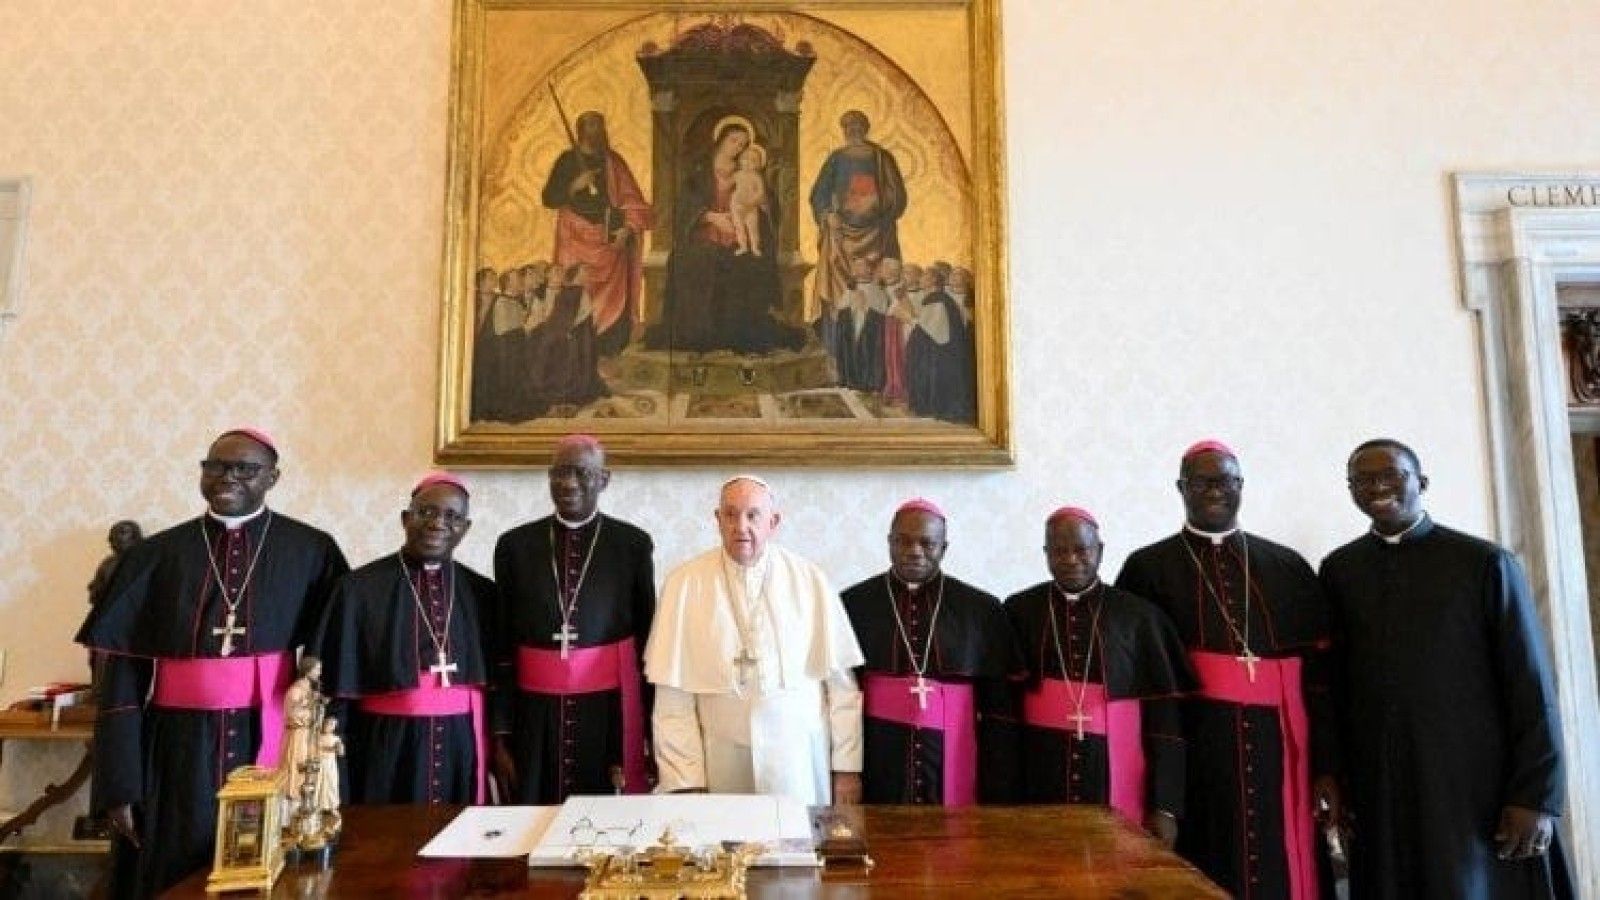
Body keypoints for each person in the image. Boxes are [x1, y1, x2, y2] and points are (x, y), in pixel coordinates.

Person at [76, 428, 348, 898]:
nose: (228, 477)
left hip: (273, 740)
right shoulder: (155, 555)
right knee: (175, 869)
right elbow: (121, 680)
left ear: (273, 477)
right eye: (216, 466)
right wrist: (119, 783)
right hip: (175, 750)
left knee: (274, 868)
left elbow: (332, 656)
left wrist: (317, 757)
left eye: (245, 468)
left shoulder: (310, 549)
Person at [1320, 439, 1573, 899]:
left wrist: (1536, 797)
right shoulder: (1340, 571)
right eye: (1362, 479)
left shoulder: (1484, 563)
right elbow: (1332, 685)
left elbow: (1531, 686)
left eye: (1392, 475)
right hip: (1382, 787)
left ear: (1422, 481)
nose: (1378, 486)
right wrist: (1333, 773)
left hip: (1474, 788)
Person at [1115, 440, 1339, 900]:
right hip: (1198, 747)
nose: (1215, 491)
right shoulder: (1147, 569)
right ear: (1181, 488)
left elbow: (1320, 680)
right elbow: (1145, 689)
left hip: (1282, 749)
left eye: (1226, 481)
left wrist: (1328, 766)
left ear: (1242, 486)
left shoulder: (1287, 566)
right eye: (1202, 482)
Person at [644, 475, 865, 805]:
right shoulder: (684, 584)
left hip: (799, 760)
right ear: (717, 520)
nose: (741, 527)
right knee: (727, 851)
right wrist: (684, 780)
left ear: (773, 522)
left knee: (798, 850)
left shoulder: (810, 580)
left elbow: (841, 688)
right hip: (719, 759)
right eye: (730, 515)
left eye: (752, 515)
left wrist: (846, 770)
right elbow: (673, 699)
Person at [1004, 507, 1195, 845]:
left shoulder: (1140, 618)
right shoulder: (1018, 611)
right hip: (1040, 776)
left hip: (1116, 777)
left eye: (1082, 549)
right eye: (1060, 550)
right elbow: (1004, 713)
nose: (1072, 559)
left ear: (1101, 551)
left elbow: (1164, 724)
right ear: (1046, 554)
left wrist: (1165, 807)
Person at [313, 472, 498, 805]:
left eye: (452, 517)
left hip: (462, 741)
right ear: (405, 518)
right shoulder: (357, 589)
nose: (438, 523)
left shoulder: (483, 592)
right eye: (426, 512)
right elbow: (335, 685)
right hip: (386, 742)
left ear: (466, 529)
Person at [492, 434, 656, 802]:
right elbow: (501, 645)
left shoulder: (632, 545)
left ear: (604, 479)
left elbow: (646, 640)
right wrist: (500, 734)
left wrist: (648, 732)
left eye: (581, 473)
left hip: (607, 713)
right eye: (559, 473)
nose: (568, 483)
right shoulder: (515, 546)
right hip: (532, 715)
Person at [841, 499, 1022, 805]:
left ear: (944, 547)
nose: (914, 551)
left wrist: (999, 784)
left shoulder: (980, 610)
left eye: (927, 543)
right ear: (889, 542)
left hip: (956, 757)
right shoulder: (853, 604)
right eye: (903, 541)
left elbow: (999, 709)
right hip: (878, 756)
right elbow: (839, 697)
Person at [646, 121, 804, 355]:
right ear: (720, 140)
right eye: (733, 140)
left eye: (742, 144)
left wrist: (758, 206)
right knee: (690, 261)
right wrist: (709, 216)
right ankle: (698, 334)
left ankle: (737, 335)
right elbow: (684, 205)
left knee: (748, 263)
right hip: (704, 231)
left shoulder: (748, 171)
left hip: (738, 234)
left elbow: (766, 203)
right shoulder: (700, 169)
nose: (737, 147)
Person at [540, 110, 652, 357]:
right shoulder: (567, 161)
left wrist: (628, 228)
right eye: (590, 126)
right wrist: (574, 186)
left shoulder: (614, 162)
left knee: (614, 303)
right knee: (575, 291)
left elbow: (634, 202)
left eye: (599, 126)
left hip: (610, 242)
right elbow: (548, 198)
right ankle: (572, 351)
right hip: (574, 236)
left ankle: (608, 347)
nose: (595, 131)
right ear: (580, 130)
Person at [809, 110, 909, 312]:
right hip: (841, 234)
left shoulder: (882, 158)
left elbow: (898, 195)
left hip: (877, 233)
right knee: (839, 288)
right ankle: (838, 334)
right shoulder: (836, 159)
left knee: (878, 288)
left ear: (866, 129)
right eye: (848, 127)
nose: (853, 130)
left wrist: (874, 201)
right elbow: (820, 193)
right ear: (844, 131)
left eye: (858, 126)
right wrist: (827, 215)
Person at [905, 263, 976, 424]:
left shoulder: (938, 299)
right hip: (939, 351)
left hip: (942, 354)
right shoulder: (937, 298)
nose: (921, 279)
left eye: (924, 276)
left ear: (933, 280)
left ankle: (933, 406)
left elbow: (930, 328)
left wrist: (906, 316)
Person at [729, 143, 768, 257]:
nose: (748, 162)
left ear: (758, 164)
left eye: (753, 160)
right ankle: (743, 246)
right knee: (739, 226)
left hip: (751, 206)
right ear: (740, 160)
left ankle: (755, 247)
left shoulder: (756, 177)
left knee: (753, 228)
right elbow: (728, 185)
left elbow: (761, 192)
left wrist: (752, 201)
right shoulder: (737, 174)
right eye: (745, 159)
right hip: (737, 205)